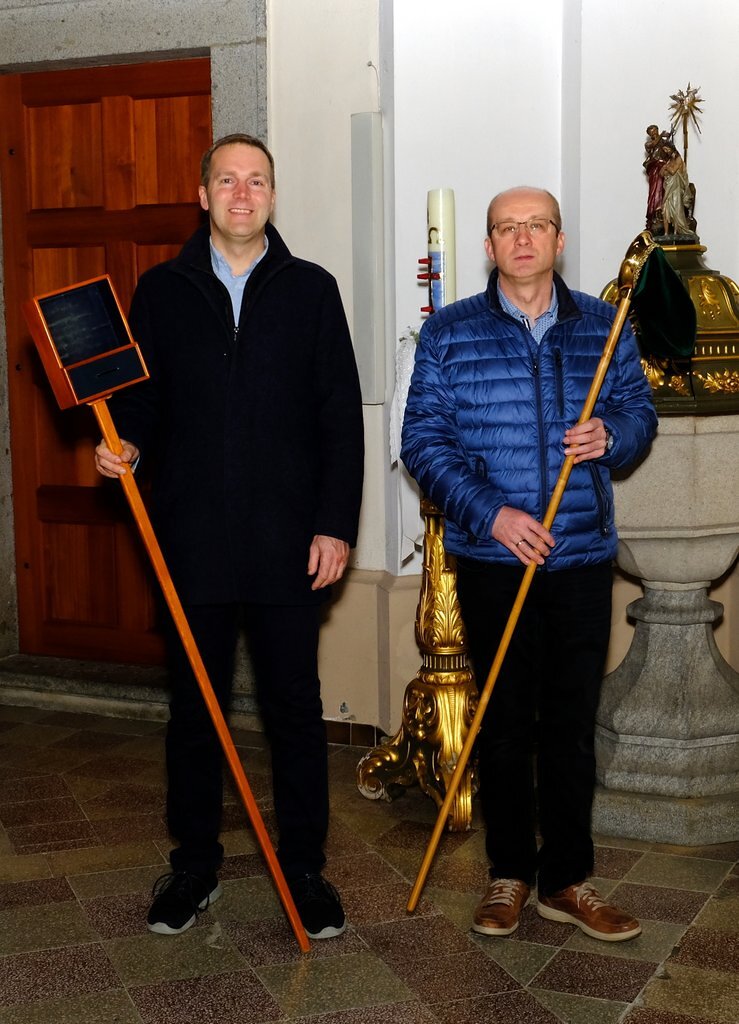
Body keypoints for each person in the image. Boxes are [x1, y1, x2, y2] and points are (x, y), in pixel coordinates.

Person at [95, 133, 364, 940]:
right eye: (227, 181)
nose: (241, 194)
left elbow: (339, 419)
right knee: (193, 712)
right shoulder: (161, 290)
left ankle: (304, 869)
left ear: (272, 197)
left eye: (255, 181)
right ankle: (193, 867)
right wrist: (125, 445)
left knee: (293, 710)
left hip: (289, 540)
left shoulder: (311, 290)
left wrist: (334, 525)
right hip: (192, 538)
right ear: (203, 194)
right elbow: (138, 401)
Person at [401, 187, 657, 942]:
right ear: (488, 246)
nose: (522, 238)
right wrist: (492, 514)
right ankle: (508, 872)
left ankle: (567, 880)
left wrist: (611, 435)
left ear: (558, 239)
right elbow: (423, 443)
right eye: (506, 228)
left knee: (571, 726)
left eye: (536, 225)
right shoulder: (449, 333)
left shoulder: (604, 325)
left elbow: (639, 417)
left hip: (579, 555)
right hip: (493, 557)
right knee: (505, 722)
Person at [660, 143, 692, 237]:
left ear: (671, 148)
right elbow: (661, 174)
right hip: (669, 187)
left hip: (676, 189)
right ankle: (666, 233)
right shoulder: (669, 160)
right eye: (664, 150)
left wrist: (666, 167)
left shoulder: (678, 159)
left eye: (667, 149)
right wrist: (665, 168)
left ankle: (676, 232)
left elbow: (673, 171)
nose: (666, 151)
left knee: (676, 209)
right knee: (665, 210)